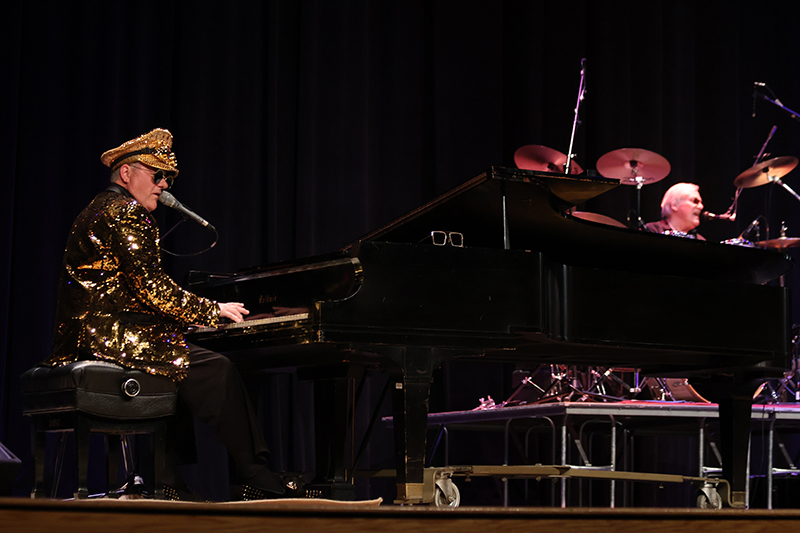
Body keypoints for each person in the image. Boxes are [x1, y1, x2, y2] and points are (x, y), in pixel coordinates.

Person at [44, 128, 298, 501]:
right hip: (111, 339)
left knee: (179, 364)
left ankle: (168, 478)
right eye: (157, 175)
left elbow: (130, 291)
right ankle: (255, 475)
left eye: (167, 178)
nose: (163, 185)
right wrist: (213, 310)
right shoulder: (127, 212)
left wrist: (183, 320)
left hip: (85, 338)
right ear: (126, 173)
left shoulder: (96, 208)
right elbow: (154, 289)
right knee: (216, 368)